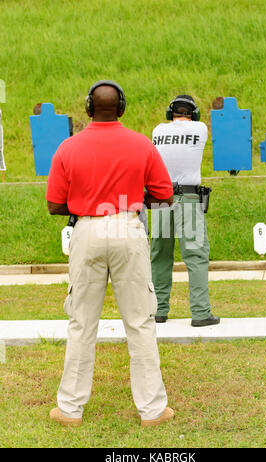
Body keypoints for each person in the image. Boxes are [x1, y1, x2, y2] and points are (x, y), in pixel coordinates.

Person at [46, 80, 175, 427]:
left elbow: (54, 204)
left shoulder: (68, 147)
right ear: (122, 107)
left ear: (89, 107)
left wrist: (83, 201)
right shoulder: (141, 145)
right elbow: (164, 196)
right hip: (127, 227)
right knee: (140, 322)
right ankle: (152, 410)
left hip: (87, 230)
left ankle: (70, 410)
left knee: (81, 322)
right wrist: (133, 196)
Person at [151, 95, 220, 327]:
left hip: (160, 199)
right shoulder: (200, 129)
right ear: (194, 113)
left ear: (171, 113)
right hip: (188, 200)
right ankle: (200, 313)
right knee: (195, 255)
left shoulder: (158, 130)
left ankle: (158, 310)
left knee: (159, 256)